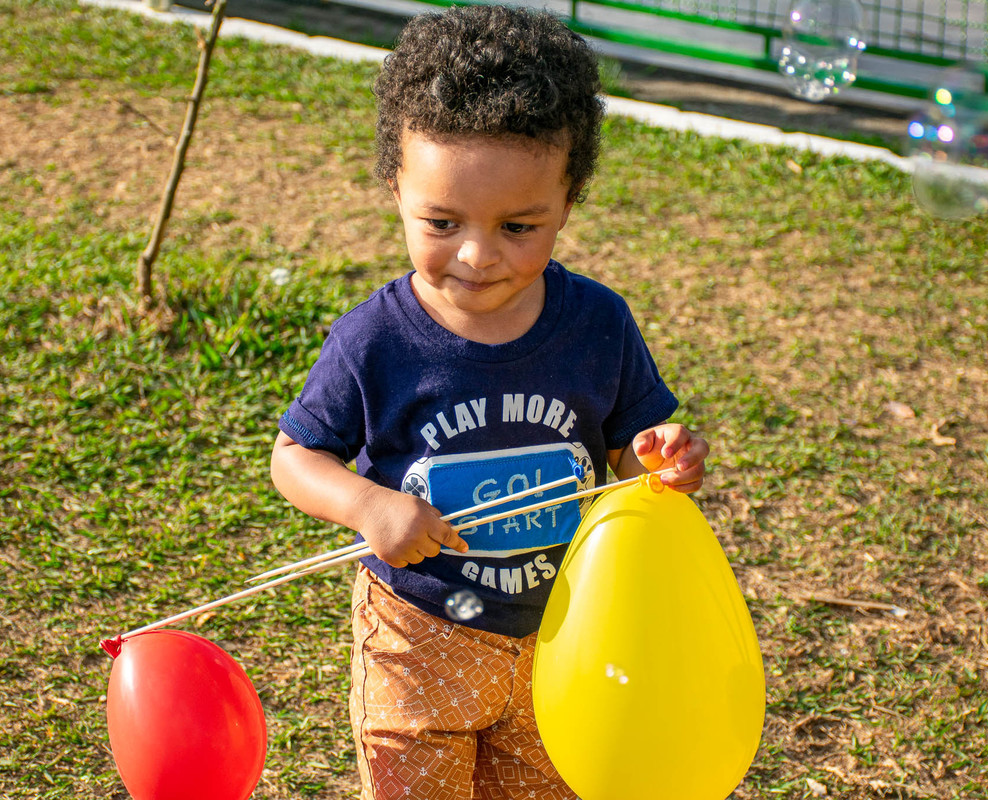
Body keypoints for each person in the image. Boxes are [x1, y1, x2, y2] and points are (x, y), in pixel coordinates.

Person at [270, 5, 709, 798]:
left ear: (569, 199)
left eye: (518, 226)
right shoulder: (375, 340)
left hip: (568, 634)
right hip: (418, 642)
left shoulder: (598, 324)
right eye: (442, 221)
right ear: (396, 187)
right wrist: (367, 505)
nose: (476, 255)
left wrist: (661, 458)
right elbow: (295, 457)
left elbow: (630, 448)